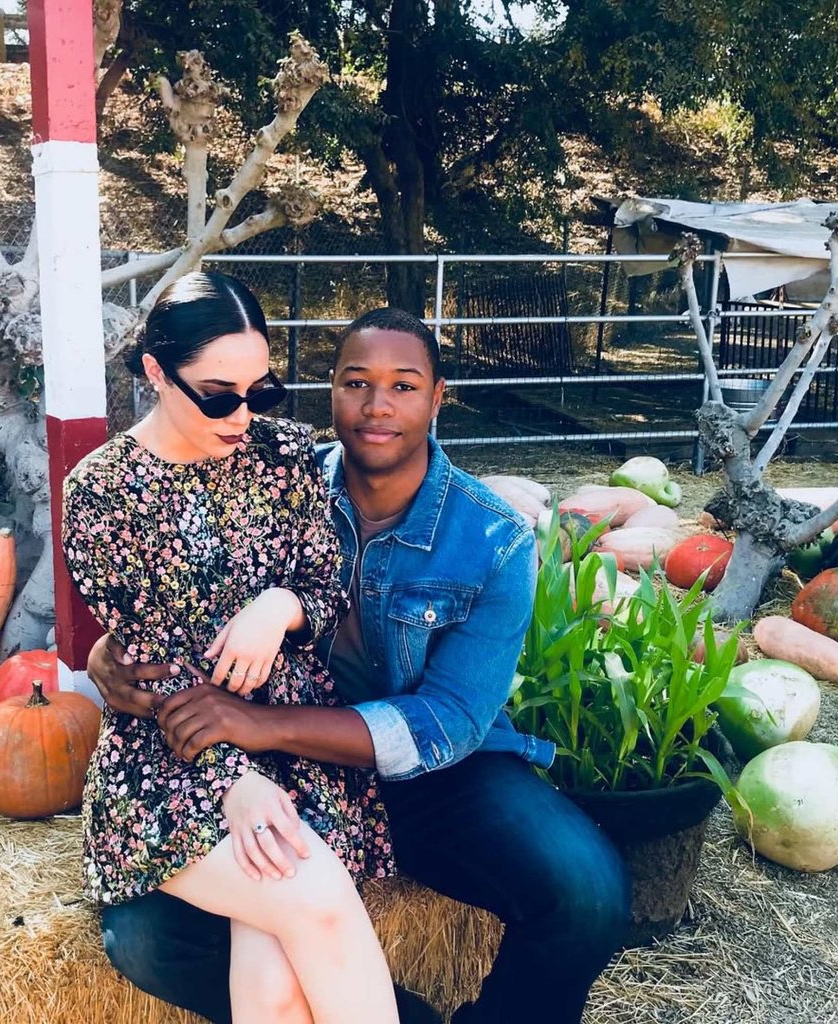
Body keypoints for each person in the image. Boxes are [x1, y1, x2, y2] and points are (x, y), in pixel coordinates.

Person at [90, 307, 632, 1024]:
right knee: (143, 939)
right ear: (331, 394)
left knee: (587, 893)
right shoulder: (271, 480)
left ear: (438, 398)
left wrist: (264, 725)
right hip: (277, 771)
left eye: (404, 386)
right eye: (356, 383)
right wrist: (114, 653)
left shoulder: (494, 541)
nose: (378, 407)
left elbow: (447, 723)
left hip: (436, 777)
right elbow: (174, 593)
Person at [61, 271, 400, 1024]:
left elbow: (323, 585)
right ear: (155, 371)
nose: (243, 415)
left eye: (262, 390)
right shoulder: (103, 491)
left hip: (293, 734)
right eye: (219, 394)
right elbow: (148, 672)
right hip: (175, 756)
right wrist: (233, 782)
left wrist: (277, 607)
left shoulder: (283, 452)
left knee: (277, 985)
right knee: (315, 905)